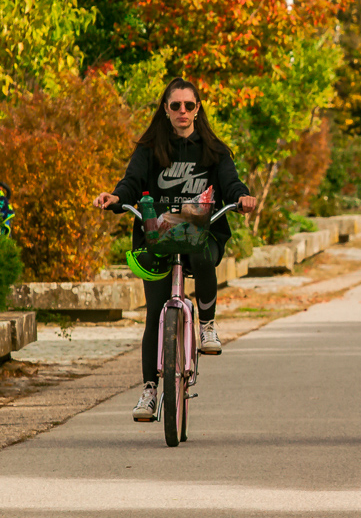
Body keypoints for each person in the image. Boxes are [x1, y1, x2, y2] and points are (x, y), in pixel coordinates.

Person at [94, 78, 257, 423]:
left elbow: (230, 183)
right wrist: (117, 198)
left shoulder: (214, 150)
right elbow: (132, 182)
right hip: (158, 236)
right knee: (154, 311)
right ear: (165, 111)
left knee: (198, 248)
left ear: (198, 109)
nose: (182, 112)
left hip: (202, 233)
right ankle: (150, 391)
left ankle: (207, 325)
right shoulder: (150, 148)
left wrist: (241, 197)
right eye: (175, 106)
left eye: (189, 105)